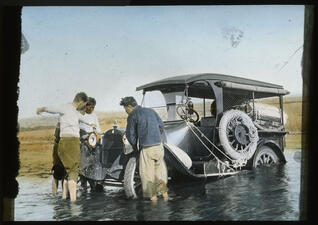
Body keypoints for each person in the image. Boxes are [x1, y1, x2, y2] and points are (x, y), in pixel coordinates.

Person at [36, 92, 96, 202]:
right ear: (81, 102)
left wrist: (42, 108)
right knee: (73, 171)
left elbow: (52, 109)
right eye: (84, 104)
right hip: (72, 142)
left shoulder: (69, 110)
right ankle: (73, 204)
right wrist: (42, 108)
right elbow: (52, 109)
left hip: (62, 142)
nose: (84, 106)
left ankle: (63, 198)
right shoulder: (69, 109)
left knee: (66, 171)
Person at [120, 96, 168, 201]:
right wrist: (155, 137)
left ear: (129, 107)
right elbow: (161, 125)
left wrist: (136, 147)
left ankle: (153, 206)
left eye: (125, 109)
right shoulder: (151, 111)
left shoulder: (133, 115)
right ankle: (165, 198)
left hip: (147, 148)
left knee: (147, 176)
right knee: (159, 174)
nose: (126, 112)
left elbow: (130, 135)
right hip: (159, 147)